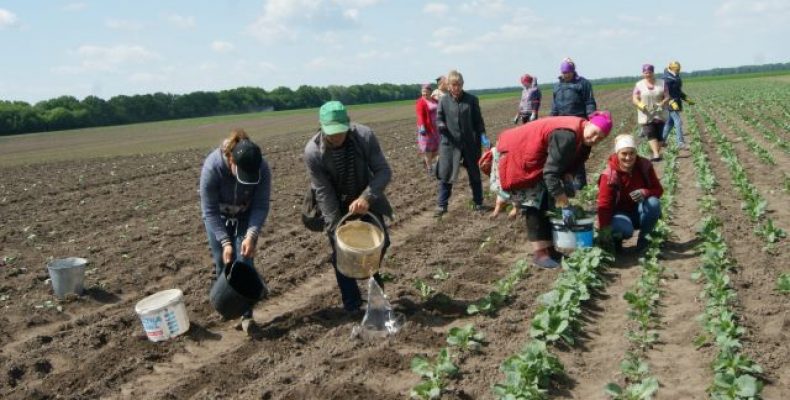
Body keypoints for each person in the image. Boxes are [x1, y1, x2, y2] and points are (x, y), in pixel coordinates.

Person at [304, 101, 392, 313]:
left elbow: (383, 171)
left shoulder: (364, 137)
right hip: (335, 203)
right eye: (331, 133)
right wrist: (336, 229)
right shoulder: (313, 151)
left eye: (341, 132)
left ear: (348, 124)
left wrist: (366, 197)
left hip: (366, 199)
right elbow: (323, 193)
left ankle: (376, 298)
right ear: (321, 127)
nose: (336, 137)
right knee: (340, 253)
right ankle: (352, 305)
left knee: (380, 244)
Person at [494, 111, 613, 268]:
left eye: (601, 138)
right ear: (589, 124)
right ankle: (540, 253)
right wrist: (563, 203)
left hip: (536, 159)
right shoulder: (567, 135)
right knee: (535, 203)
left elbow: (571, 162)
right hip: (515, 153)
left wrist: (568, 179)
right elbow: (550, 173)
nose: (595, 138)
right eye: (595, 133)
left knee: (545, 202)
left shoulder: (583, 139)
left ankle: (549, 248)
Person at [200, 129, 271, 335]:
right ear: (230, 160)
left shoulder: (261, 168)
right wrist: (224, 241)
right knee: (223, 261)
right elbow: (209, 211)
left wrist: (251, 235)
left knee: (244, 262)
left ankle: (247, 317)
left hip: (245, 215)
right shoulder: (212, 168)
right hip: (218, 217)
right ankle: (225, 304)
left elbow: (260, 206)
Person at [435, 69, 489, 217]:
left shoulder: (471, 100)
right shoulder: (444, 101)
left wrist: (483, 137)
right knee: (446, 175)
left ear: (462, 84)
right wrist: (441, 125)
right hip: (450, 144)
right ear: (448, 86)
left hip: (470, 144)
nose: (456, 87)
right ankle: (442, 206)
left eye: (459, 84)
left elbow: (478, 121)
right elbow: (439, 118)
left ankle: (478, 203)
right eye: (453, 85)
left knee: (474, 174)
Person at [596, 134, 663, 253]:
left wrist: (645, 192)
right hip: (619, 215)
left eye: (632, 153)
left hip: (639, 212)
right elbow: (604, 206)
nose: (628, 157)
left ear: (636, 152)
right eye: (624, 153)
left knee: (653, 203)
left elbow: (658, 189)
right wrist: (604, 231)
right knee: (623, 228)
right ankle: (616, 244)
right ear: (617, 153)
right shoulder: (609, 175)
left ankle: (643, 242)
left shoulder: (644, 166)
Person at [550, 58, 597, 189]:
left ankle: (580, 183)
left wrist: (591, 119)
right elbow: (554, 106)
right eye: (564, 72)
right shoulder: (557, 86)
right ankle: (566, 181)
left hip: (578, 122)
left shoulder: (583, 84)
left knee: (577, 152)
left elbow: (589, 102)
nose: (566, 75)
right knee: (563, 153)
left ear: (573, 71)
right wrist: (551, 120)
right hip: (562, 123)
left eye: (569, 72)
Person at [633, 64, 670, 161]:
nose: (647, 74)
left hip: (659, 112)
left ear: (653, 73)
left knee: (659, 136)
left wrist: (662, 103)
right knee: (650, 133)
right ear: (643, 73)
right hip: (645, 113)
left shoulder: (662, 83)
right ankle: (656, 154)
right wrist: (640, 105)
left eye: (649, 72)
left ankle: (656, 151)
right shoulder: (639, 85)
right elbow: (635, 98)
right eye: (645, 73)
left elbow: (667, 96)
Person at [661, 61, 694, 149]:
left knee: (670, 123)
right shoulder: (666, 79)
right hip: (670, 103)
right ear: (671, 68)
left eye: (679, 69)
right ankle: (680, 142)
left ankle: (661, 141)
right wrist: (671, 102)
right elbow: (664, 93)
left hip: (676, 102)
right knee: (678, 121)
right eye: (677, 69)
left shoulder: (676, 77)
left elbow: (678, 91)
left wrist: (686, 99)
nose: (678, 70)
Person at [415, 83, 439, 173]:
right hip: (426, 129)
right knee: (428, 150)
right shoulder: (420, 102)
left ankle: (426, 162)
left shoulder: (434, 101)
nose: (424, 94)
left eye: (426, 92)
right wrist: (422, 127)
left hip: (436, 128)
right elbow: (420, 116)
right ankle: (429, 169)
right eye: (423, 93)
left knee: (438, 149)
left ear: (430, 92)